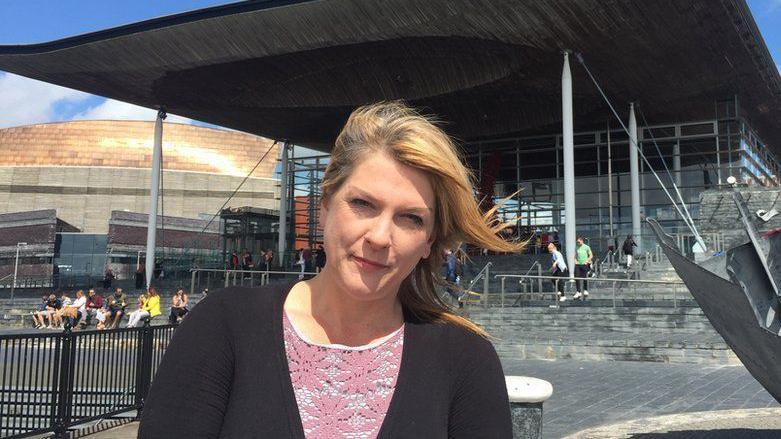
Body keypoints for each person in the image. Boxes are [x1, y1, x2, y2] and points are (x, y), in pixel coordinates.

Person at [139, 101, 521, 438]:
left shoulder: (465, 361)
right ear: (325, 206)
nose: (380, 236)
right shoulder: (224, 326)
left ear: (428, 242)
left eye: (410, 218)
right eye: (363, 204)